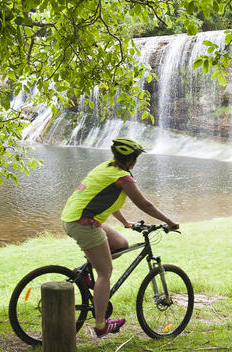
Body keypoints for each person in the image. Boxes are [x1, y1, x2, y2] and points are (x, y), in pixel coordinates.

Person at [60, 138, 179, 337]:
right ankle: (100, 325)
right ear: (131, 159)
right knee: (105, 272)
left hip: (74, 217)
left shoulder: (107, 167)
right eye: (136, 157)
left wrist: (126, 223)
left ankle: (84, 273)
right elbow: (145, 205)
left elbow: (108, 201)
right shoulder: (123, 177)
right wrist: (170, 222)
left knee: (120, 243)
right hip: (83, 222)